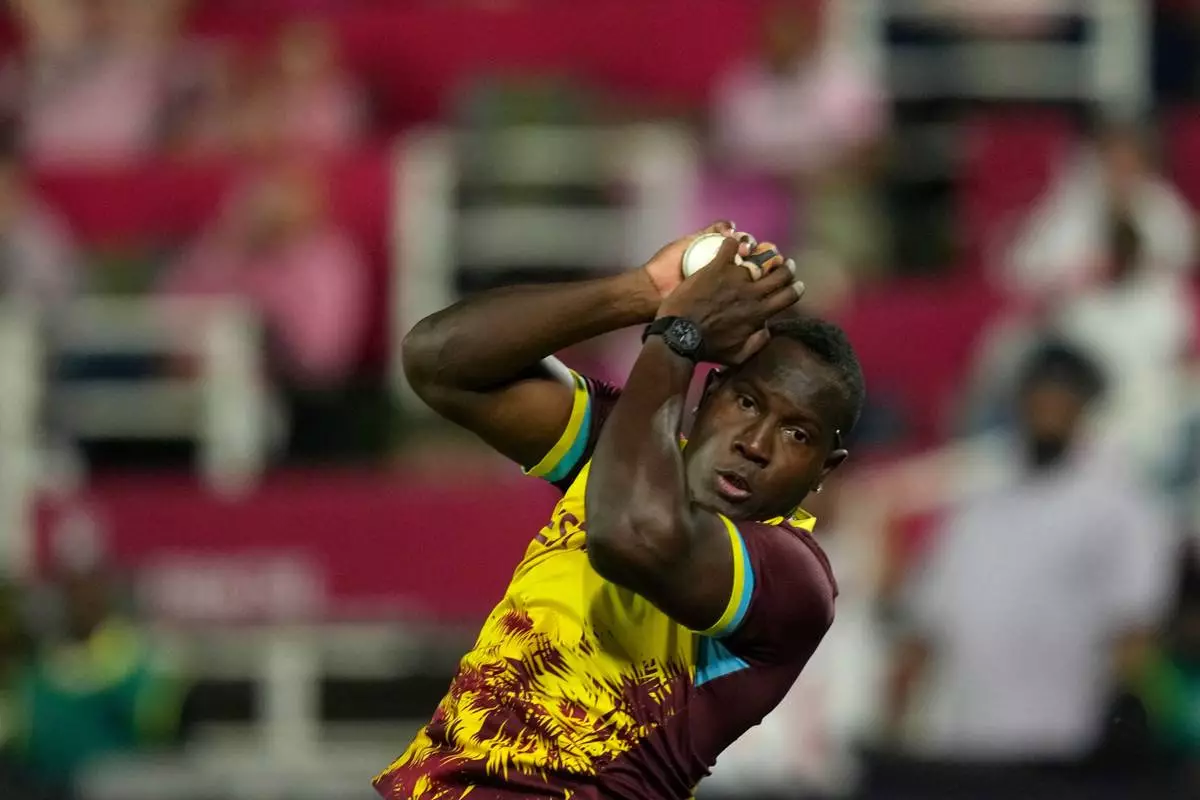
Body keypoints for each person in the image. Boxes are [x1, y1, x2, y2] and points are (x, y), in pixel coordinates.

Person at [374, 222, 863, 799]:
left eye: (797, 435)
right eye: (747, 402)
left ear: (824, 471)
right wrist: (641, 293)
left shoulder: (791, 578)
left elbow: (630, 533)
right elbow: (438, 360)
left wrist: (676, 336)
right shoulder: (623, 449)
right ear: (708, 397)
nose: (755, 443)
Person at [884, 342, 1176, 791]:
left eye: (1063, 397)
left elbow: (1134, 628)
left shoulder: (1120, 506)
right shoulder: (978, 509)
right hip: (964, 746)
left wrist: (1119, 727)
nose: (1048, 408)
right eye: (1038, 395)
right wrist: (894, 725)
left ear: (1085, 406)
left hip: (1065, 748)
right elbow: (926, 627)